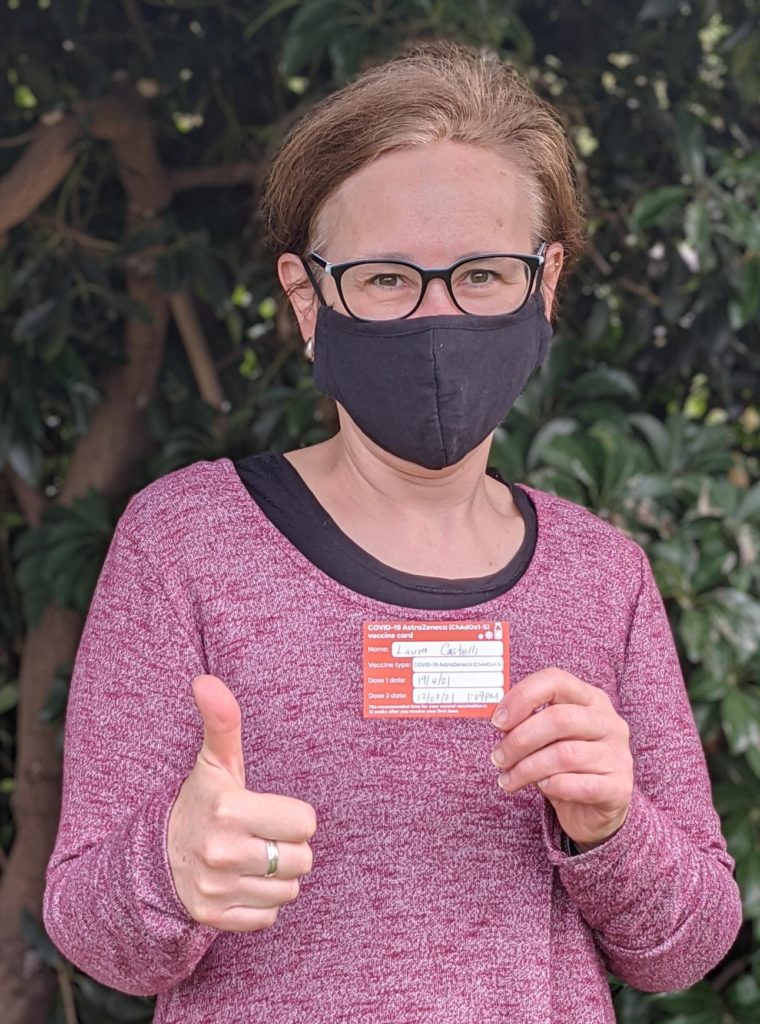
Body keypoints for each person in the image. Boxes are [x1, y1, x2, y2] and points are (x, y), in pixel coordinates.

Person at [43, 41, 742, 1024]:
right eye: (384, 279)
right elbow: (87, 926)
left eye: (481, 275)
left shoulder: (603, 577)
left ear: (544, 285)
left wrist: (610, 826)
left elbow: (685, 948)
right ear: (306, 296)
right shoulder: (186, 544)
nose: (435, 317)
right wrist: (167, 868)